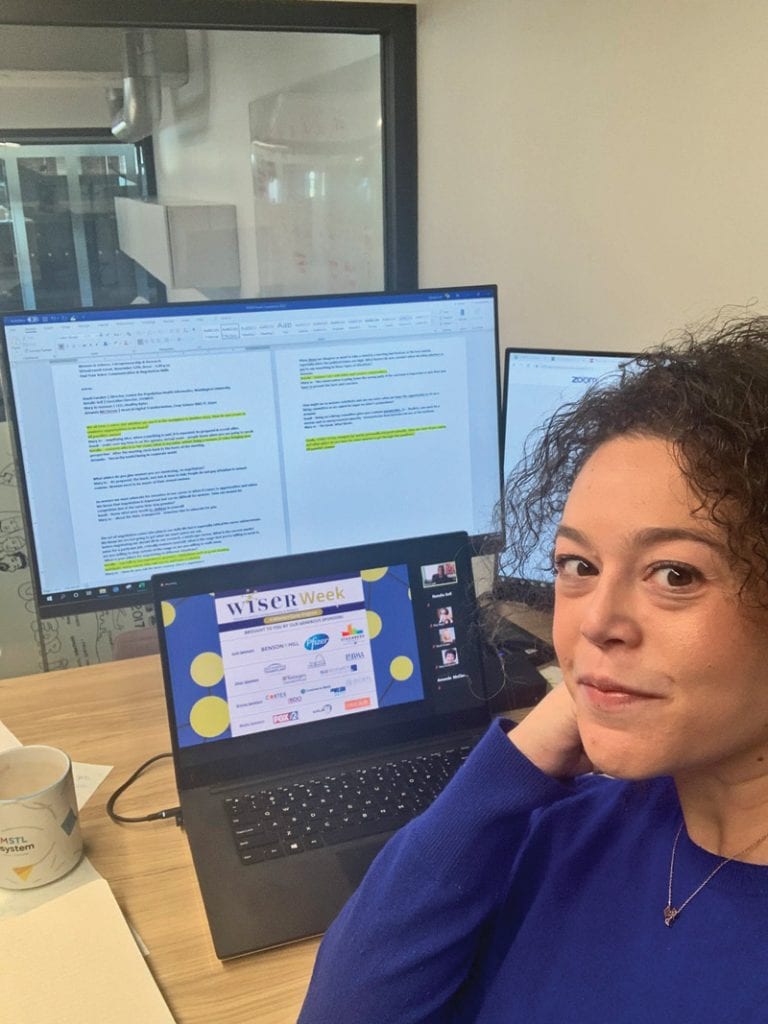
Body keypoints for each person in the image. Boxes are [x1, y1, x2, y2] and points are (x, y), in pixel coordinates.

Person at [298, 317, 768, 1023]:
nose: (596, 622)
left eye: (675, 573)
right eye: (578, 565)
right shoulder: (567, 822)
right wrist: (527, 751)